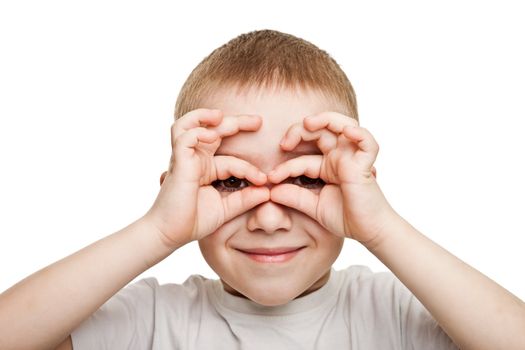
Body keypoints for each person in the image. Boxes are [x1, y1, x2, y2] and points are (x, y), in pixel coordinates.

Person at [1, 29, 524, 350]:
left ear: (357, 190)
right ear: (176, 193)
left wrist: (383, 229)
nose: (269, 219)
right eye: (232, 181)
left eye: (304, 179)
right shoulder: (150, 321)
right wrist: (157, 231)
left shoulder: (395, 311)